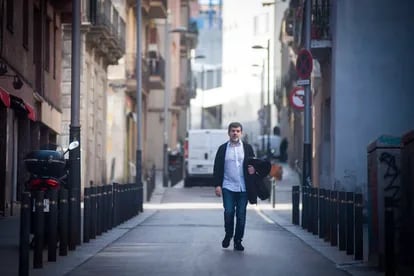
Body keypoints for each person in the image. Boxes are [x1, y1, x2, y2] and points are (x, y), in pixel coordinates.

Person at [213, 122, 256, 251]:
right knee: (229, 212)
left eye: (237, 131)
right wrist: (217, 185)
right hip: (228, 186)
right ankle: (228, 234)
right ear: (229, 133)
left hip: (243, 188)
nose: (235, 133)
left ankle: (238, 241)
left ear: (241, 133)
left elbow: (254, 164)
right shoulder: (222, 149)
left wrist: (253, 169)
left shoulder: (247, 148)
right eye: (233, 131)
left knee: (241, 215)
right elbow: (217, 168)